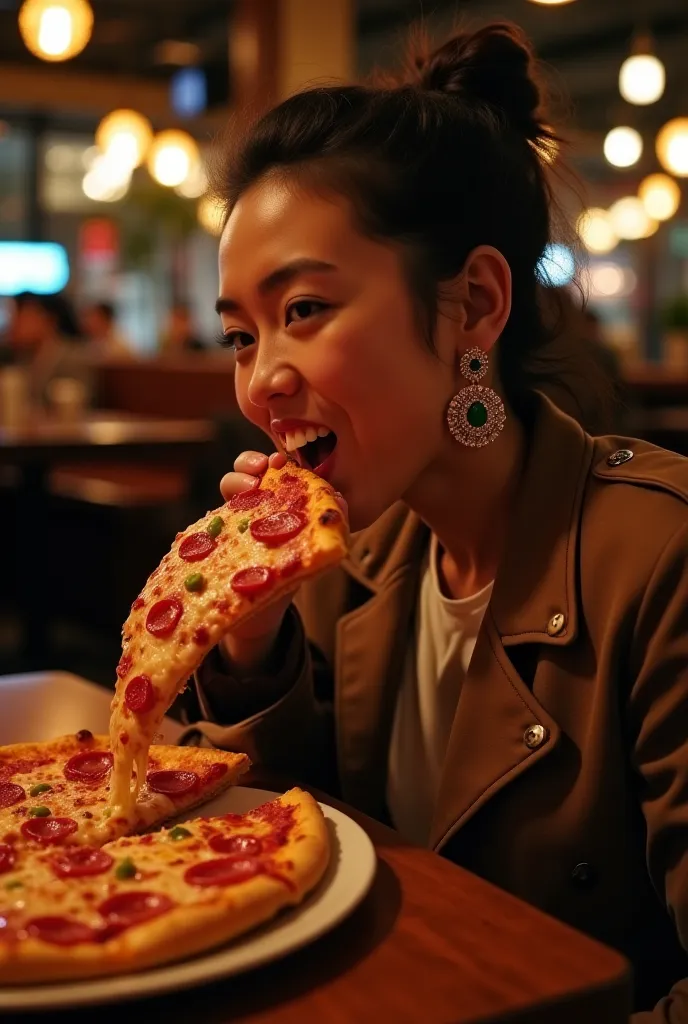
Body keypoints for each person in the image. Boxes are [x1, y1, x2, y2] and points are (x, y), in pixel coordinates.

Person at [179, 22, 688, 1020]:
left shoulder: (662, 559)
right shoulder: (346, 555)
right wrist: (251, 643)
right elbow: (274, 863)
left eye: (306, 309)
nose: (261, 380)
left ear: (476, 305)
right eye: (240, 333)